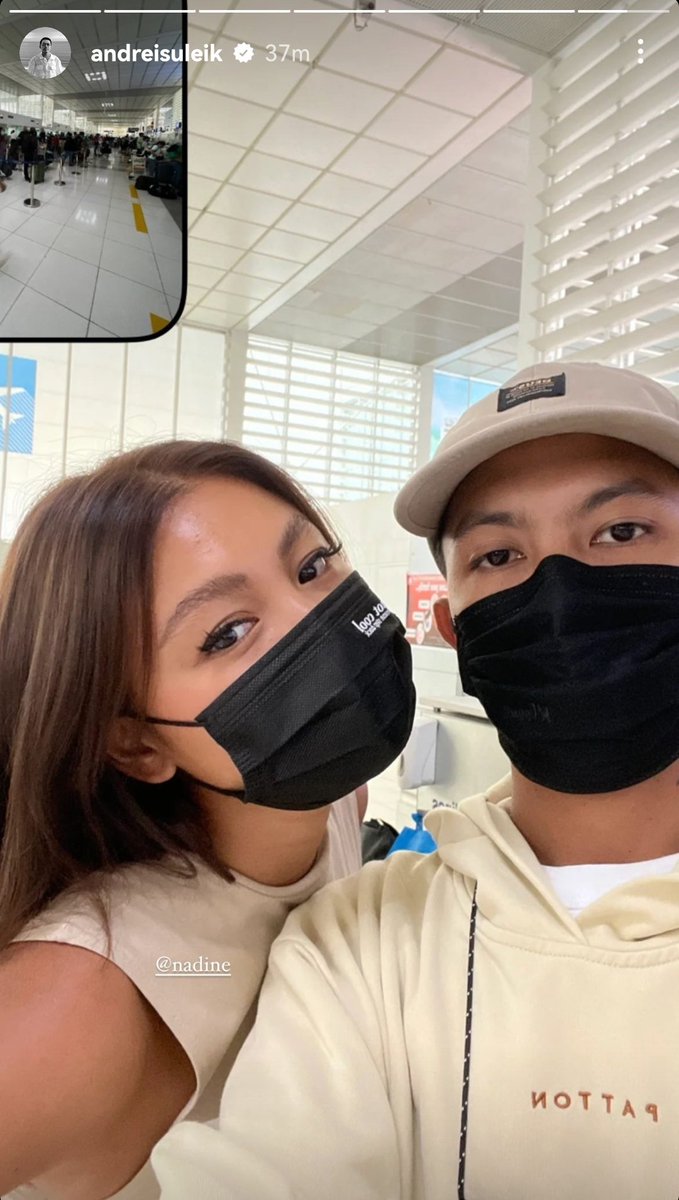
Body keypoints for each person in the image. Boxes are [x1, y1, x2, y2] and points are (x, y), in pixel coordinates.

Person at [152, 362, 679, 1200]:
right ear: (451, 631)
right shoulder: (357, 943)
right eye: (498, 554)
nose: (557, 590)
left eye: (621, 531)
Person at [0, 438, 415, 1200]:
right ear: (136, 743)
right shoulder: (84, 993)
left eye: (311, 568)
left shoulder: (335, 806)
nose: (312, 623)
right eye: (227, 632)